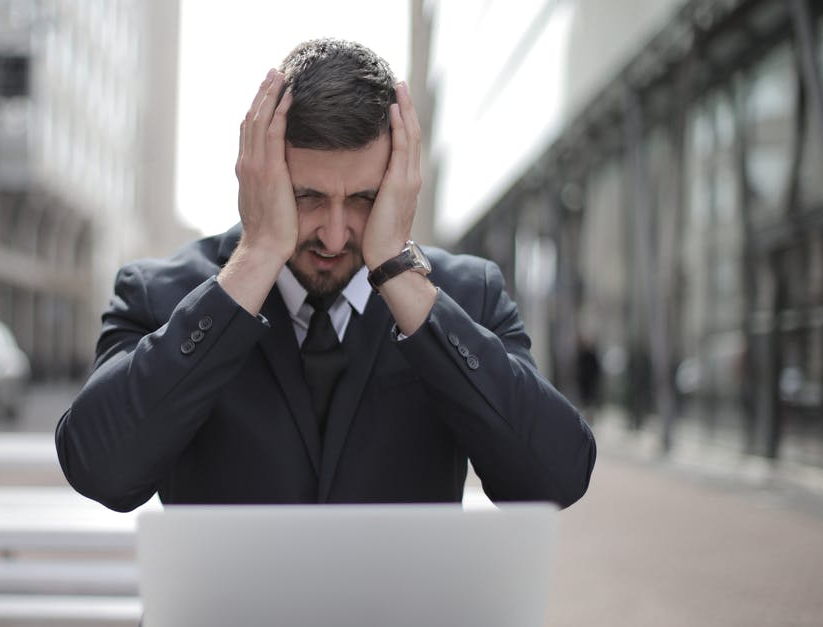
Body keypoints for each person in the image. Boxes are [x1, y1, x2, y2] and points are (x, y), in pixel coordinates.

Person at [56, 39, 595, 512]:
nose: (335, 236)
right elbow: (101, 471)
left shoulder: (465, 294)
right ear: (257, 175)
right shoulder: (158, 293)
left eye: (363, 199)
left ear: (398, 183)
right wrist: (260, 252)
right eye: (307, 196)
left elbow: (555, 478)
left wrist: (398, 273)